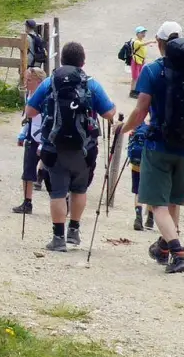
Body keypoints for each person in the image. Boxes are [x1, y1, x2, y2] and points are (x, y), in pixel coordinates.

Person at [120, 21, 184, 274]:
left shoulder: (153, 71)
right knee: (173, 201)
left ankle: (179, 252)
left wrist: (124, 128)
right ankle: (163, 249)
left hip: (159, 145)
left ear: (160, 42)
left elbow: (141, 110)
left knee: (157, 204)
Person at [24, 42, 117, 250]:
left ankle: (58, 239)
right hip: (84, 149)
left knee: (57, 192)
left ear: (62, 61)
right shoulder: (91, 84)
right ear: (83, 62)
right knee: (79, 189)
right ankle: (74, 231)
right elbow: (109, 114)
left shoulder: (50, 83)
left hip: (54, 147)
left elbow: (30, 111)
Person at [12, 67, 49, 215]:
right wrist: (23, 134)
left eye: (29, 80)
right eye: (25, 79)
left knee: (52, 171)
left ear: (39, 82)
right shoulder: (29, 94)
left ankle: (60, 198)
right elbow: (28, 118)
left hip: (46, 136)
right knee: (27, 170)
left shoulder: (47, 96)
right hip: (32, 135)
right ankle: (27, 202)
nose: (26, 83)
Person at [127, 122, 154, 231]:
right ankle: (150, 219)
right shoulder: (157, 123)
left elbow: (131, 137)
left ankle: (138, 218)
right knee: (153, 191)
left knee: (138, 191)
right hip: (153, 165)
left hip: (136, 163)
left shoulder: (139, 122)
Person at [125, 25, 149, 99]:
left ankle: (137, 90)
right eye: (142, 32)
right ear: (137, 34)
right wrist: (152, 41)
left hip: (141, 61)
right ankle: (132, 92)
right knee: (135, 77)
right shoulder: (136, 42)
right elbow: (142, 45)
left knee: (139, 76)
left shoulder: (141, 41)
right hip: (136, 61)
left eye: (144, 32)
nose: (143, 34)